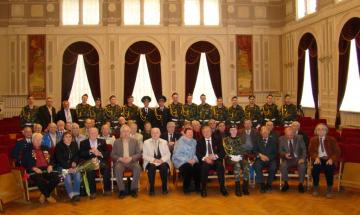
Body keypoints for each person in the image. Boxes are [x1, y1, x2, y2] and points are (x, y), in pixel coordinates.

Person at [21, 133, 59, 204]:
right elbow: (24, 162)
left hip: (46, 169)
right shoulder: (28, 149)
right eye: (36, 139)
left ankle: (43, 194)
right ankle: (48, 196)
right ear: (32, 140)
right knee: (39, 180)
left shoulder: (45, 148)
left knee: (57, 178)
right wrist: (34, 168)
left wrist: (50, 165)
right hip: (35, 170)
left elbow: (52, 159)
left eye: (40, 139)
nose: (38, 141)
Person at [308, 123, 341, 198]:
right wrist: (315, 157)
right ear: (316, 131)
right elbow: (311, 151)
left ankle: (329, 189)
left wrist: (331, 159)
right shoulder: (313, 140)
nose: (321, 131)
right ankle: (315, 188)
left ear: (326, 131)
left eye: (323, 129)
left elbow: (337, 151)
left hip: (328, 159)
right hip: (318, 159)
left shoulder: (331, 139)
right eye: (318, 129)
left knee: (329, 170)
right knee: (315, 170)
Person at [196, 126, 228, 197]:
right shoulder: (199, 141)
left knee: (220, 166)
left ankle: (222, 188)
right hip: (205, 161)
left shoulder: (217, 140)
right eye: (204, 132)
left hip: (215, 160)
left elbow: (223, 152)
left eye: (208, 131)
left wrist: (215, 156)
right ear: (202, 133)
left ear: (211, 132)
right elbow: (197, 153)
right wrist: (205, 158)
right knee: (204, 167)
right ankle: (203, 189)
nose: (206, 133)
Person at [79, 128, 111, 199]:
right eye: (91, 133)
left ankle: (107, 190)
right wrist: (90, 151)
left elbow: (107, 153)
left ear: (97, 134)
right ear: (88, 134)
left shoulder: (102, 141)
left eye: (95, 133)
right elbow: (81, 154)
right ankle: (93, 192)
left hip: (100, 161)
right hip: (90, 162)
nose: (93, 134)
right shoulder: (83, 143)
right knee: (90, 171)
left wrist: (99, 153)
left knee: (106, 169)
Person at [111, 125, 141, 199]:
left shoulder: (135, 141)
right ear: (121, 132)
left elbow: (139, 154)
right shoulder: (116, 142)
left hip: (132, 161)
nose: (125, 133)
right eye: (123, 131)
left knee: (138, 167)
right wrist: (120, 158)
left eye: (127, 131)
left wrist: (131, 158)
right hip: (121, 162)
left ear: (130, 132)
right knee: (117, 168)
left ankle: (133, 189)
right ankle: (122, 190)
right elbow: (112, 154)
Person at [53, 131, 81, 202]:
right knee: (67, 177)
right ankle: (71, 195)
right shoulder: (59, 146)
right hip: (62, 166)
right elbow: (59, 160)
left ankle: (76, 194)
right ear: (63, 138)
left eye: (70, 137)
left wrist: (75, 161)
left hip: (73, 166)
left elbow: (77, 155)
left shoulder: (74, 144)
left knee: (78, 175)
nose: (68, 138)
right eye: (66, 137)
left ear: (72, 138)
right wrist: (69, 167)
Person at [223, 125, 250, 196]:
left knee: (246, 164)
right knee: (237, 165)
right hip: (230, 159)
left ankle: (245, 187)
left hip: (240, 157)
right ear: (229, 131)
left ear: (237, 130)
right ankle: (237, 188)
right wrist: (233, 156)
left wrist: (240, 156)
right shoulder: (225, 139)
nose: (233, 131)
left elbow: (244, 150)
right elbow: (226, 151)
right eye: (232, 130)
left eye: (235, 129)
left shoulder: (240, 139)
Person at [143, 128, 171, 195]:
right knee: (151, 167)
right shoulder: (146, 142)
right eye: (153, 133)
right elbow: (144, 155)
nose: (155, 134)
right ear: (151, 134)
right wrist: (153, 160)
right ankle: (151, 188)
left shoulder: (164, 142)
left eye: (157, 132)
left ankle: (164, 187)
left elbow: (168, 154)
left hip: (162, 161)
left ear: (160, 134)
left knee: (164, 167)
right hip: (151, 162)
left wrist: (162, 160)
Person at [172, 128, 200, 194]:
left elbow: (197, 153)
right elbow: (176, 155)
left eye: (191, 133)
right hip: (181, 161)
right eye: (188, 132)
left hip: (192, 160)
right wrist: (187, 160)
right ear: (185, 133)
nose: (190, 134)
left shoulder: (194, 141)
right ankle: (186, 187)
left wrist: (194, 159)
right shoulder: (180, 142)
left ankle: (197, 187)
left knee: (198, 167)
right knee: (188, 167)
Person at [279, 127, 307, 193]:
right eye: (287, 135)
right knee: (283, 166)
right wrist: (284, 155)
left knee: (302, 166)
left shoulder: (299, 138)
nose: (289, 137)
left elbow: (304, 149)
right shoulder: (281, 139)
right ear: (285, 134)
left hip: (298, 158)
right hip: (287, 159)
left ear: (294, 133)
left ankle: (301, 184)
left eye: (291, 135)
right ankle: (286, 183)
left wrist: (303, 158)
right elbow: (280, 151)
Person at [253, 126, 278, 193]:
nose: (265, 133)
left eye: (266, 131)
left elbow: (275, 152)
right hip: (260, 159)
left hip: (271, 159)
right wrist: (260, 155)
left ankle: (269, 184)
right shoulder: (257, 140)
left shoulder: (273, 141)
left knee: (273, 167)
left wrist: (268, 158)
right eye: (263, 132)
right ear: (260, 132)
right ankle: (262, 184)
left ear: (269, 132)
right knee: (257, 166)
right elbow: (254, 151)